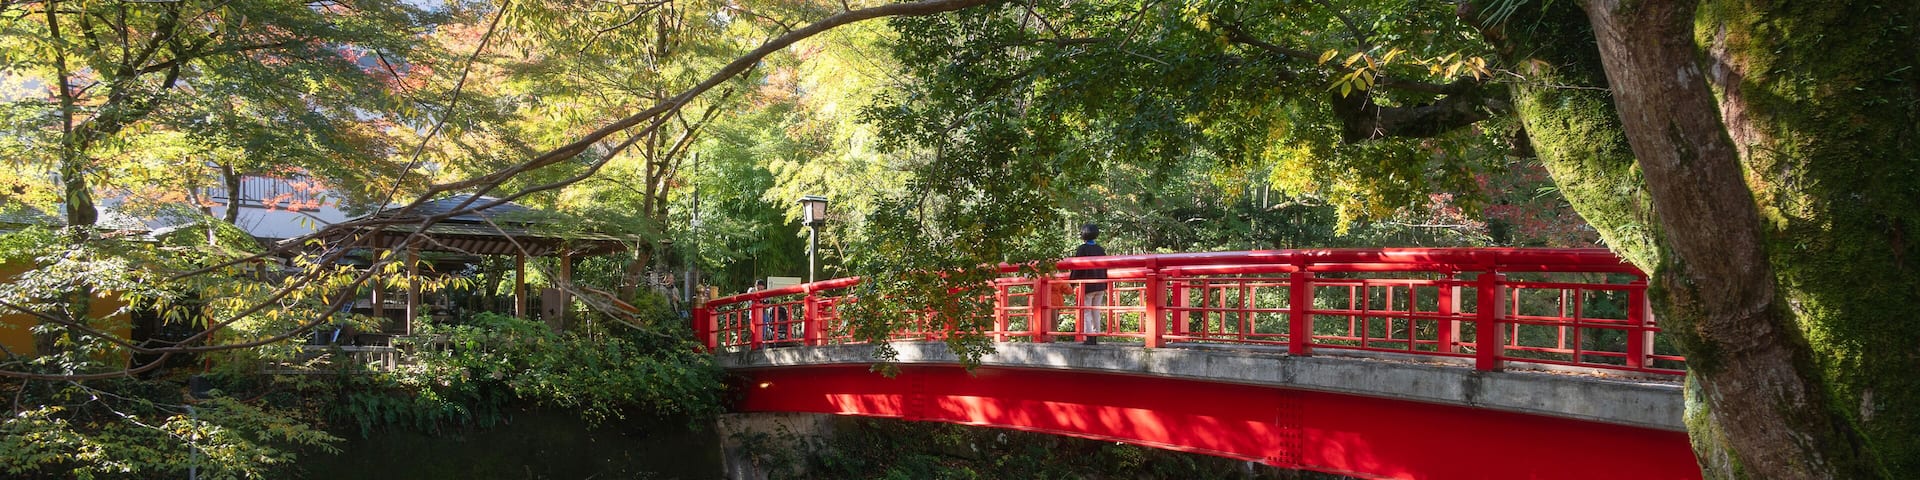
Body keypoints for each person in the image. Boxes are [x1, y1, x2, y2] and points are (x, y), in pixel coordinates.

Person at [1069, 223, 1109, 345]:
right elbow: (1106, 267)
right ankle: (1096, 335)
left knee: (1086, 310)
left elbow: (1076, 267)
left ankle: (1089, 335)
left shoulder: (1082, 249)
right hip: (1100, 284)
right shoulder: (1101, 249)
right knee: (1096, 310)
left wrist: (1072, 282)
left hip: (1088, 285)